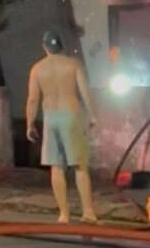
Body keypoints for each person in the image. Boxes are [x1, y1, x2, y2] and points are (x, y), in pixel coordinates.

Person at [26, 30, 99, 224]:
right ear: (61, 45)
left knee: (56, 167)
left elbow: (33, 100)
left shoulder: (37, 69)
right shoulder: (73, 65)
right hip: (71, 115)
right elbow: (85, 93)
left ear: (44, 47)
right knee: (80, 166)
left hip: (51, 117)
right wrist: (92, 115)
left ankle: (64, 214)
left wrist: (30, 124)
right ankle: (88, 212)